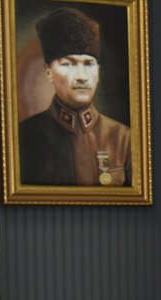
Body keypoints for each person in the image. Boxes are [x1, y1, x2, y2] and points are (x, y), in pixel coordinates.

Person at [19, 7, 132, 187]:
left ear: (98, 71)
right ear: (48, 72)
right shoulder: (23, 137)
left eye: (88, 64)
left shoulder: (123, 139)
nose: (81, 76)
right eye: (68, 64)